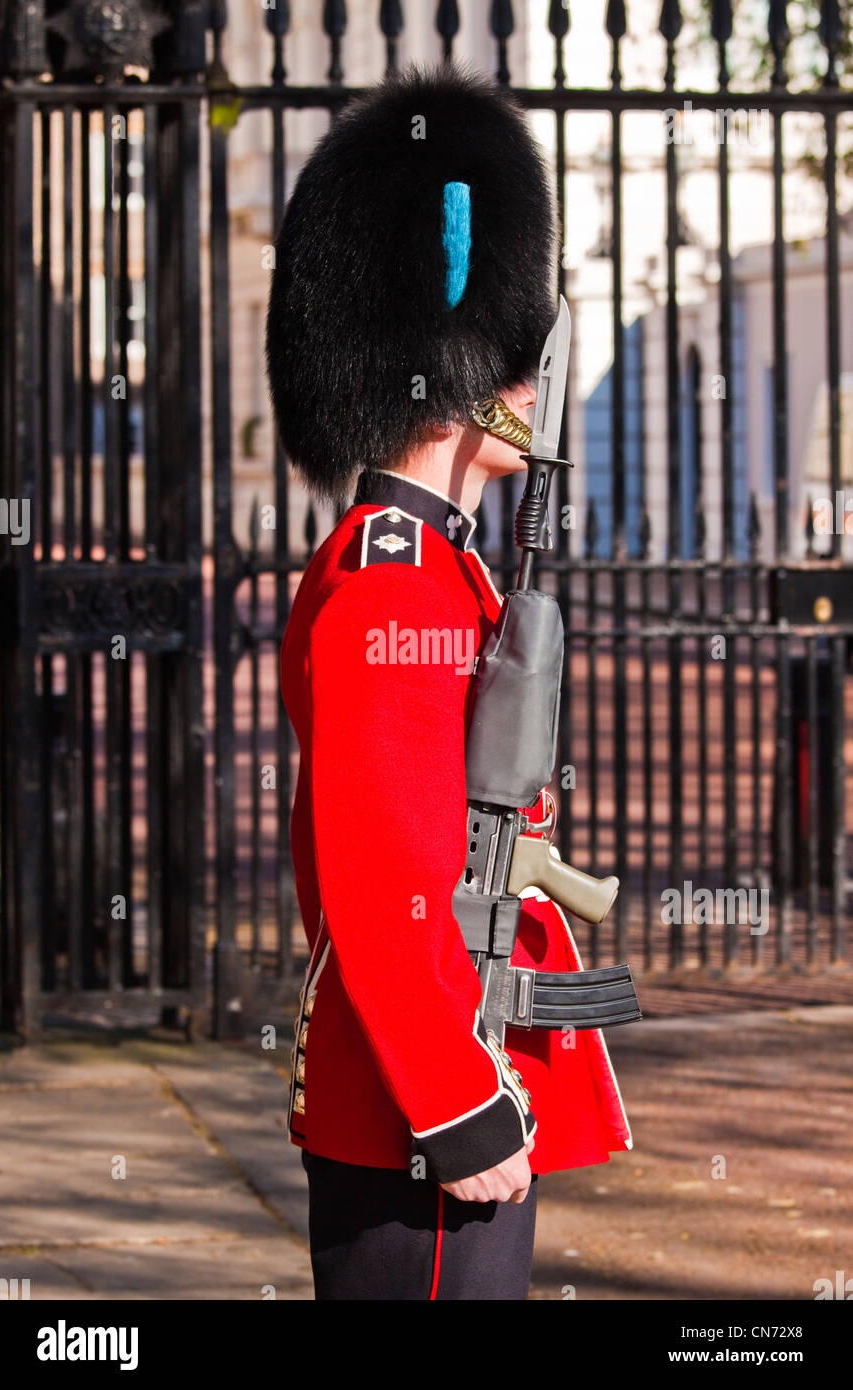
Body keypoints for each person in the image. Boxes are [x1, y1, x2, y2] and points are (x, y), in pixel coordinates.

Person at [266, 64, 632, 1302]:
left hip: (457, 1070)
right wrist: (458, 1100)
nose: (529, 385)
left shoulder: (441, 572)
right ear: (455, 364)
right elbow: (380, 876)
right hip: (419, 1111)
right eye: (510, 355)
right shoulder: (391, 588)